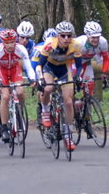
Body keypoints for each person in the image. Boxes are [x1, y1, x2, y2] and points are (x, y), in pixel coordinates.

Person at [32, 20, 80, 151]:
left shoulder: (75, 45)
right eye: (63, 35)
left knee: (69, 102)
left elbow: (79, 65)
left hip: (64, 69)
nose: (66, 38)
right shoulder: (49, 44)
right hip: (49, 68)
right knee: (48, 88)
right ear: (57, 36)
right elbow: (40, 64)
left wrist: (77, 77)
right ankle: (46, 110)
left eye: (69, 35)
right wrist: (41, 78)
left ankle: (68, 134)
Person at [0, 29, 36, 141]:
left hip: (15, 70)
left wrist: (32, 78)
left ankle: (19, 113)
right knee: (5, 97)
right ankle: (5, 127)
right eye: (7, 43)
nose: (10, 45)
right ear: (2, 42)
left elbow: (28, 67)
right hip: (2, 71)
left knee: (20, 92)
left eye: (12, 42)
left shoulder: (21, 49)